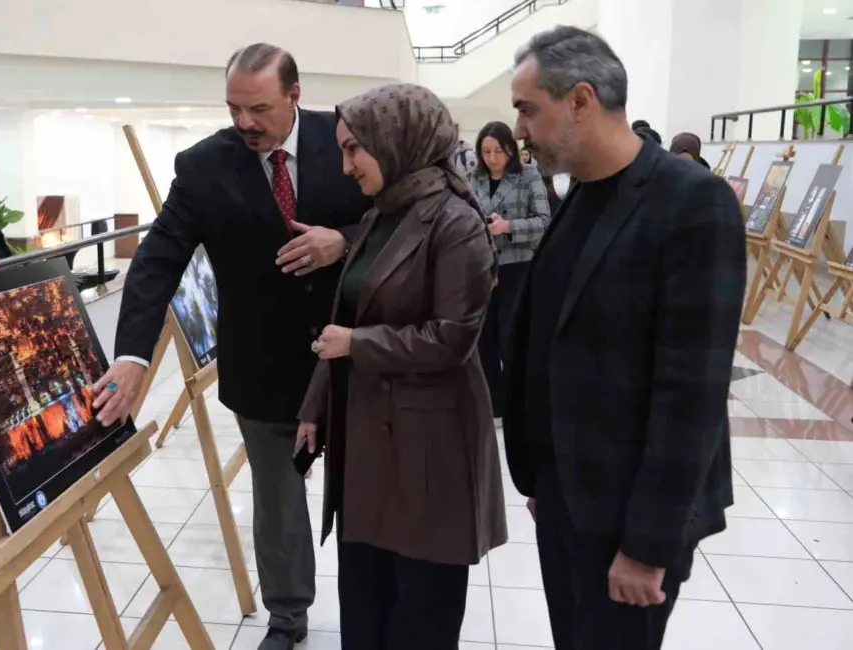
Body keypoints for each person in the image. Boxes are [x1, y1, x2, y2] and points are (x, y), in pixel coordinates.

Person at [92, 43, 369, 650]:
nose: (245, 122)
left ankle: (372, 613)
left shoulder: (347, 139)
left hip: (354, 356)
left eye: (259, 109)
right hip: (261, 366)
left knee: (366, 495)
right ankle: (288, 616)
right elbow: (157, 260)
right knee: (277, 500)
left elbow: (399, 218)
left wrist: (343, 241)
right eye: (234, 108)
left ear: (294, 95)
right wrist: (133, 355)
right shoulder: (203, 166)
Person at [507, 27, 745, 650]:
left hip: (630, 519)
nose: (521, 130)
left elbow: (691, 396)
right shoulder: (581, 194)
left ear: (581, 100)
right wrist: (544, 479)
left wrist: (647, 548)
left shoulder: (692, 203)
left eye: (528, 110)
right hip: (567, 495)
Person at [296, 83, 507, 650]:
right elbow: (346, 317)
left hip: (429, 449)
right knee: (366, 605)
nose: (346, 166)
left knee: (420, 612)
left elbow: (452, 338)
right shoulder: (379, 216)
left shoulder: (456, 223)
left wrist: (359, 345)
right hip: (367, 443)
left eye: (354, 149)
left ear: (396, 142)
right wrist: (316, 405)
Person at [468, 122, 550, 419]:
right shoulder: (472, 178)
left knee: (511, 337)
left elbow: (544, 221)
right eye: (486, 151)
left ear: (511, 150)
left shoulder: (528, 175)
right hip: (482, 268)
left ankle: (519, 400)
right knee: (483, 337)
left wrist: (508, 226)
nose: (492, 158)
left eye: (498, 151)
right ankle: (494, 402)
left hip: (517, 266)